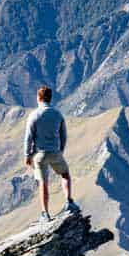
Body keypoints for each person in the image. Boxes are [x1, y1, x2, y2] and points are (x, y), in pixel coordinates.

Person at [24, 85, 80, 222]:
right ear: (50, 98)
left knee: (43, 182)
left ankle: (45, 214)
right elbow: (64, 136)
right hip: (55, 152)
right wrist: (60, 151)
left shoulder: (34, 115)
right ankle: (69, 202)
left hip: (40, 154)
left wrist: (27, 155)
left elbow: (28, 137)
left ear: (38, 98)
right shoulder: (57, 114)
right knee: (65, 174)